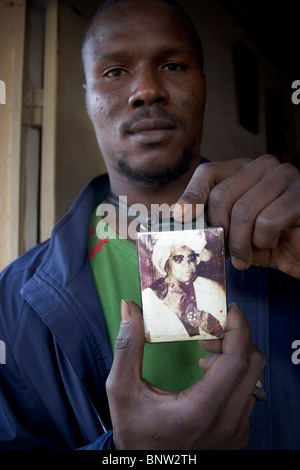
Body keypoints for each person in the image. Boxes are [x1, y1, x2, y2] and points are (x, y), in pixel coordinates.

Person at [0, 0, 299, 450]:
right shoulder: (15, 298)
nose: (146, 90)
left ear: (203, 83)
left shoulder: (286, 238)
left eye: (173, 64)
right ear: (87, 96)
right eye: (115, 72)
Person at [140, 231, 226, 341]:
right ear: (166, 265)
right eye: (178, 259)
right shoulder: (151, 296)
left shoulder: (213, 288)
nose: (187, 264)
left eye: (191, 258)